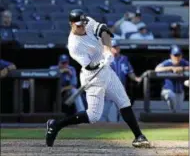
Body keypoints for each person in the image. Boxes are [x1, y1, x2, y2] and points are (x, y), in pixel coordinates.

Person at [45, 9, 150, 148]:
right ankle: (56, 125)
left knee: (124, 101)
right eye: (78, 25)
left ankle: (139, 136)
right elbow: (90, 66)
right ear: (71, 24)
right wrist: (101, 62)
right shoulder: (74, 45)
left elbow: (104, 31)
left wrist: (107, 50)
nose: (82, 27)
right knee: (93, 116)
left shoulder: (87, 22)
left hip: (107, 71)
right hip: (92, 77)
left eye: (83, 24)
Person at [100, 40, 142, 122]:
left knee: (123, 112)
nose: (116, 49)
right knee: (105, 112)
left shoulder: (124, 59)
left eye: (117, 47)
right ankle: (100, 128)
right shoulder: (104, 59)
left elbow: (130, 72)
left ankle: (122, 130)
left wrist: (136, 78)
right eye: (113, 47)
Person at [155, 45, 189, 113]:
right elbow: (157, 69)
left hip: (179, 92)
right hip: (167, 90)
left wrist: (182, 68)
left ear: (181, 55)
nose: (177, 57)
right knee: (170, 95)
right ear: (171, 55)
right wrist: (171, 68)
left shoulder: (183, 62)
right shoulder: (168, 62)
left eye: (179, 55)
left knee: (178, 113)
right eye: (175, 55)